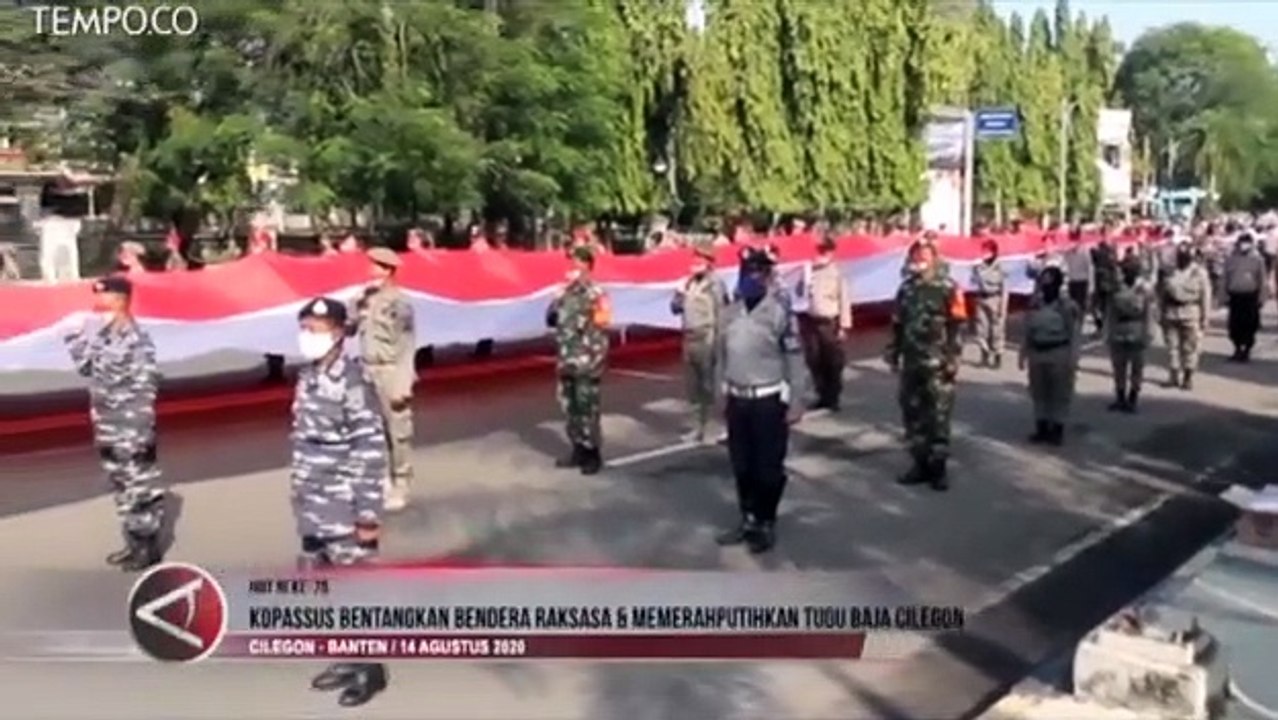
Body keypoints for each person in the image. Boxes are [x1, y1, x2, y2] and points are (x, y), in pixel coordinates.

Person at [291, 297, 390, 707]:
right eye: (305, 328)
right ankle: (346, 655)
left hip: (344, 503)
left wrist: (368, 513)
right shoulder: (308, 376)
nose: (306, 336)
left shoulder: (352, 381)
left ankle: (371, 670)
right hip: (312, 501)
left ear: (336, 333)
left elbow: (369, 448)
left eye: (314, 329)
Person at [63, 276, 167, 570]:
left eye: (104, 294)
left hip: (130, 427)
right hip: (108, 425)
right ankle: (132, 542)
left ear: (120, 299)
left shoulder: (136, 338)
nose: (98, 299)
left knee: (139, 486)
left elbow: (147, 385)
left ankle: (148, 547)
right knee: (121, 486)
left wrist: (139, 430)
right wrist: (75, 338)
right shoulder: (103, 334)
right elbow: (86, 368)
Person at [716, 246, 807, 553]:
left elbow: (794, 357)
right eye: (746, 271)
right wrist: (720, 393)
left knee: (768, 468)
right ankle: (748, 518)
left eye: (757, 271)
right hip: (738, 400)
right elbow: (720, 355)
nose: (751, 277)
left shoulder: (780, 312)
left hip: (768, 400)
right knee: (741, 465)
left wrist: (797, 400)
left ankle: (766, 521)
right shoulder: (729, 312)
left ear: (767, 276)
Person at [884, 243, 967, 490]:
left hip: (938, 362)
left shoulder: (948, 287)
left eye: (924, 256)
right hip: (912, 363)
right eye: (915, 256)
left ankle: (938, 469)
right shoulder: (906, 288)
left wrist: (953, 358)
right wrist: (893, 351)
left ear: (934, 259)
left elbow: (957, 325)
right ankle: (919, 464)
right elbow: (898, 324)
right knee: (913, 415)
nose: (919, 260)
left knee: (938, 416)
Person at [347, 247, 417, 512]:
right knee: (372, 431)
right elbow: (351, 330)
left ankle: (401, 483)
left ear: (387, 270)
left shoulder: (401, 304)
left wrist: (403, 383)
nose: (370, 271)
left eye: (375, 266)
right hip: (367, 371)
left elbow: (408, 344)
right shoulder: (367, 300)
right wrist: (355, 305)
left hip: (390, 372)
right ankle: (383, 478)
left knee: (397, 431)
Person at [546, 245, 611, 475]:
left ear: (587, 266)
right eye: (571, 263)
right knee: (570, 407)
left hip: (587, 361)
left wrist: (596, 363)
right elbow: (551, 320)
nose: (572, 268)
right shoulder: (565, 293)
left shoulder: (597, 294)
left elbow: (603, 327)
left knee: (587, 408)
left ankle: (593, 453)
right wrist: (556, 299)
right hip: (567, 359)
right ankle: (577, 448)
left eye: (577, 263)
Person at [671, 242, 728, 442]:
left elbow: (722, 313)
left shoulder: (715, 284)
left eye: (700, 259)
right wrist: (679, 294)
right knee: (693, 387)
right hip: (689, 337)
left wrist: (720, 343)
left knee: (709, 385)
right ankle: (697, 427)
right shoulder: (688, 283)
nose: (695, 262)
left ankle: (715, 427)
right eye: (694, 258)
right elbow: (675, 309)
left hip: (707, 336)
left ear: (709, 262)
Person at [1018, 266, 1079, 446]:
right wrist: (1023, 353)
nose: (1046, 286)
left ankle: (1057, 428)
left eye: (1050, 282)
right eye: (1043, 282)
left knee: (1059, 393)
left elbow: (1073, 333)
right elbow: (1027, 330)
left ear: (1058, 284)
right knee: (1039, 392)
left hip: (1059, 352)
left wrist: (1073, 359)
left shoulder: (1067, 306)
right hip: (1037, 352)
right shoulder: (1034, 304)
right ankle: (1042, 427)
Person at [799, 234, 852, 410]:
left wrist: (844, 326)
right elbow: (799, 293)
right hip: (810, 320)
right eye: (818, 250)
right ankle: (821, 393)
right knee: (814, 359)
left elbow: (844, 298)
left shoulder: (837, 272)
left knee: (833, 361)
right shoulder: (808, 270)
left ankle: (833, 397)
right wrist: (804, 281)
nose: (820, 254)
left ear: (830, 252)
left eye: (823, 250)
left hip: (829, 321)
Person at [1104, 258, 1155, 413]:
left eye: (1131, 271)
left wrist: (1149, 333)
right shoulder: (1116, 289)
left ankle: (1133, 397)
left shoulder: (1145, 290)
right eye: (1126, 271)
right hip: (1119, 331)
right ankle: (1120, 397)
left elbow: (1149, 313)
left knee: (1137, 368)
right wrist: (1107, 333)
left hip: (1137, 330)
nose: (1128, 274)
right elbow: (1110, 313)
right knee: (1119, 367)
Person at [1159, 245, 1211, 390]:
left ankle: (1188, 377)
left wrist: (1205, 318)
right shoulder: (1170, 272)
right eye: (1180, 256)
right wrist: (1161, 313)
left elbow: (1205, 296)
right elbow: (1162, 295)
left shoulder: (1199, 273)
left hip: (1191, 313)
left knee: (1190, 348)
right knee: (1172, 347)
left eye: (1185, 256)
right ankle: (1173, 375)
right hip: (1171, 313)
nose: (1182, 259)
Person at [1223, 233, 1267, 362]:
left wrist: (1262, 298)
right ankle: (1237, 348)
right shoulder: (1231, 259)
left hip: (1250, 296)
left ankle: (1247, 350)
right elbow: (1225, 278)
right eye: (1242, 242)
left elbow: (1262, 280)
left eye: (1246, 242)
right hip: (1235, 295)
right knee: (1234, 325)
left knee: (1250, 325)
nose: (1243, 245)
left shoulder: (1258, 259)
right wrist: (1223, 296)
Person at [969, 238, 1008, 368]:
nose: (984, 253)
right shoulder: (978, 266)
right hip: (981, 298)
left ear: (993, 252)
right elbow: (972, 282)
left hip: (995, 298)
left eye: (987, 250)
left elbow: (1005, 288)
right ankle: (984, 355)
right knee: (981, 328)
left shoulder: (1001, 267)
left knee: (997, 329)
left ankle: (997, 356)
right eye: (983, 250)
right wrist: (974, 269)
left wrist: (1003, 306)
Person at [1062, 229, 1094, 330]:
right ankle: (1075, 324)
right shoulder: (1069, 252)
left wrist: (1091, 284)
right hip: (1075, 281)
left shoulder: (1084, 251)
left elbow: (1089, 267)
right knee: (1075, 305)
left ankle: (1079, 324)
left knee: (1080, 305)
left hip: (1080, 281)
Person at [1091, 234, 1120, 334]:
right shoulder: (1110, 253)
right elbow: (1114, 266)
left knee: (1099, 305)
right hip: (1108, 282)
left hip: (1100, 282)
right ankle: (1108, 325)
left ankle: (1102, 326)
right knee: (1107, 305)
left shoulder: (1096, 253)